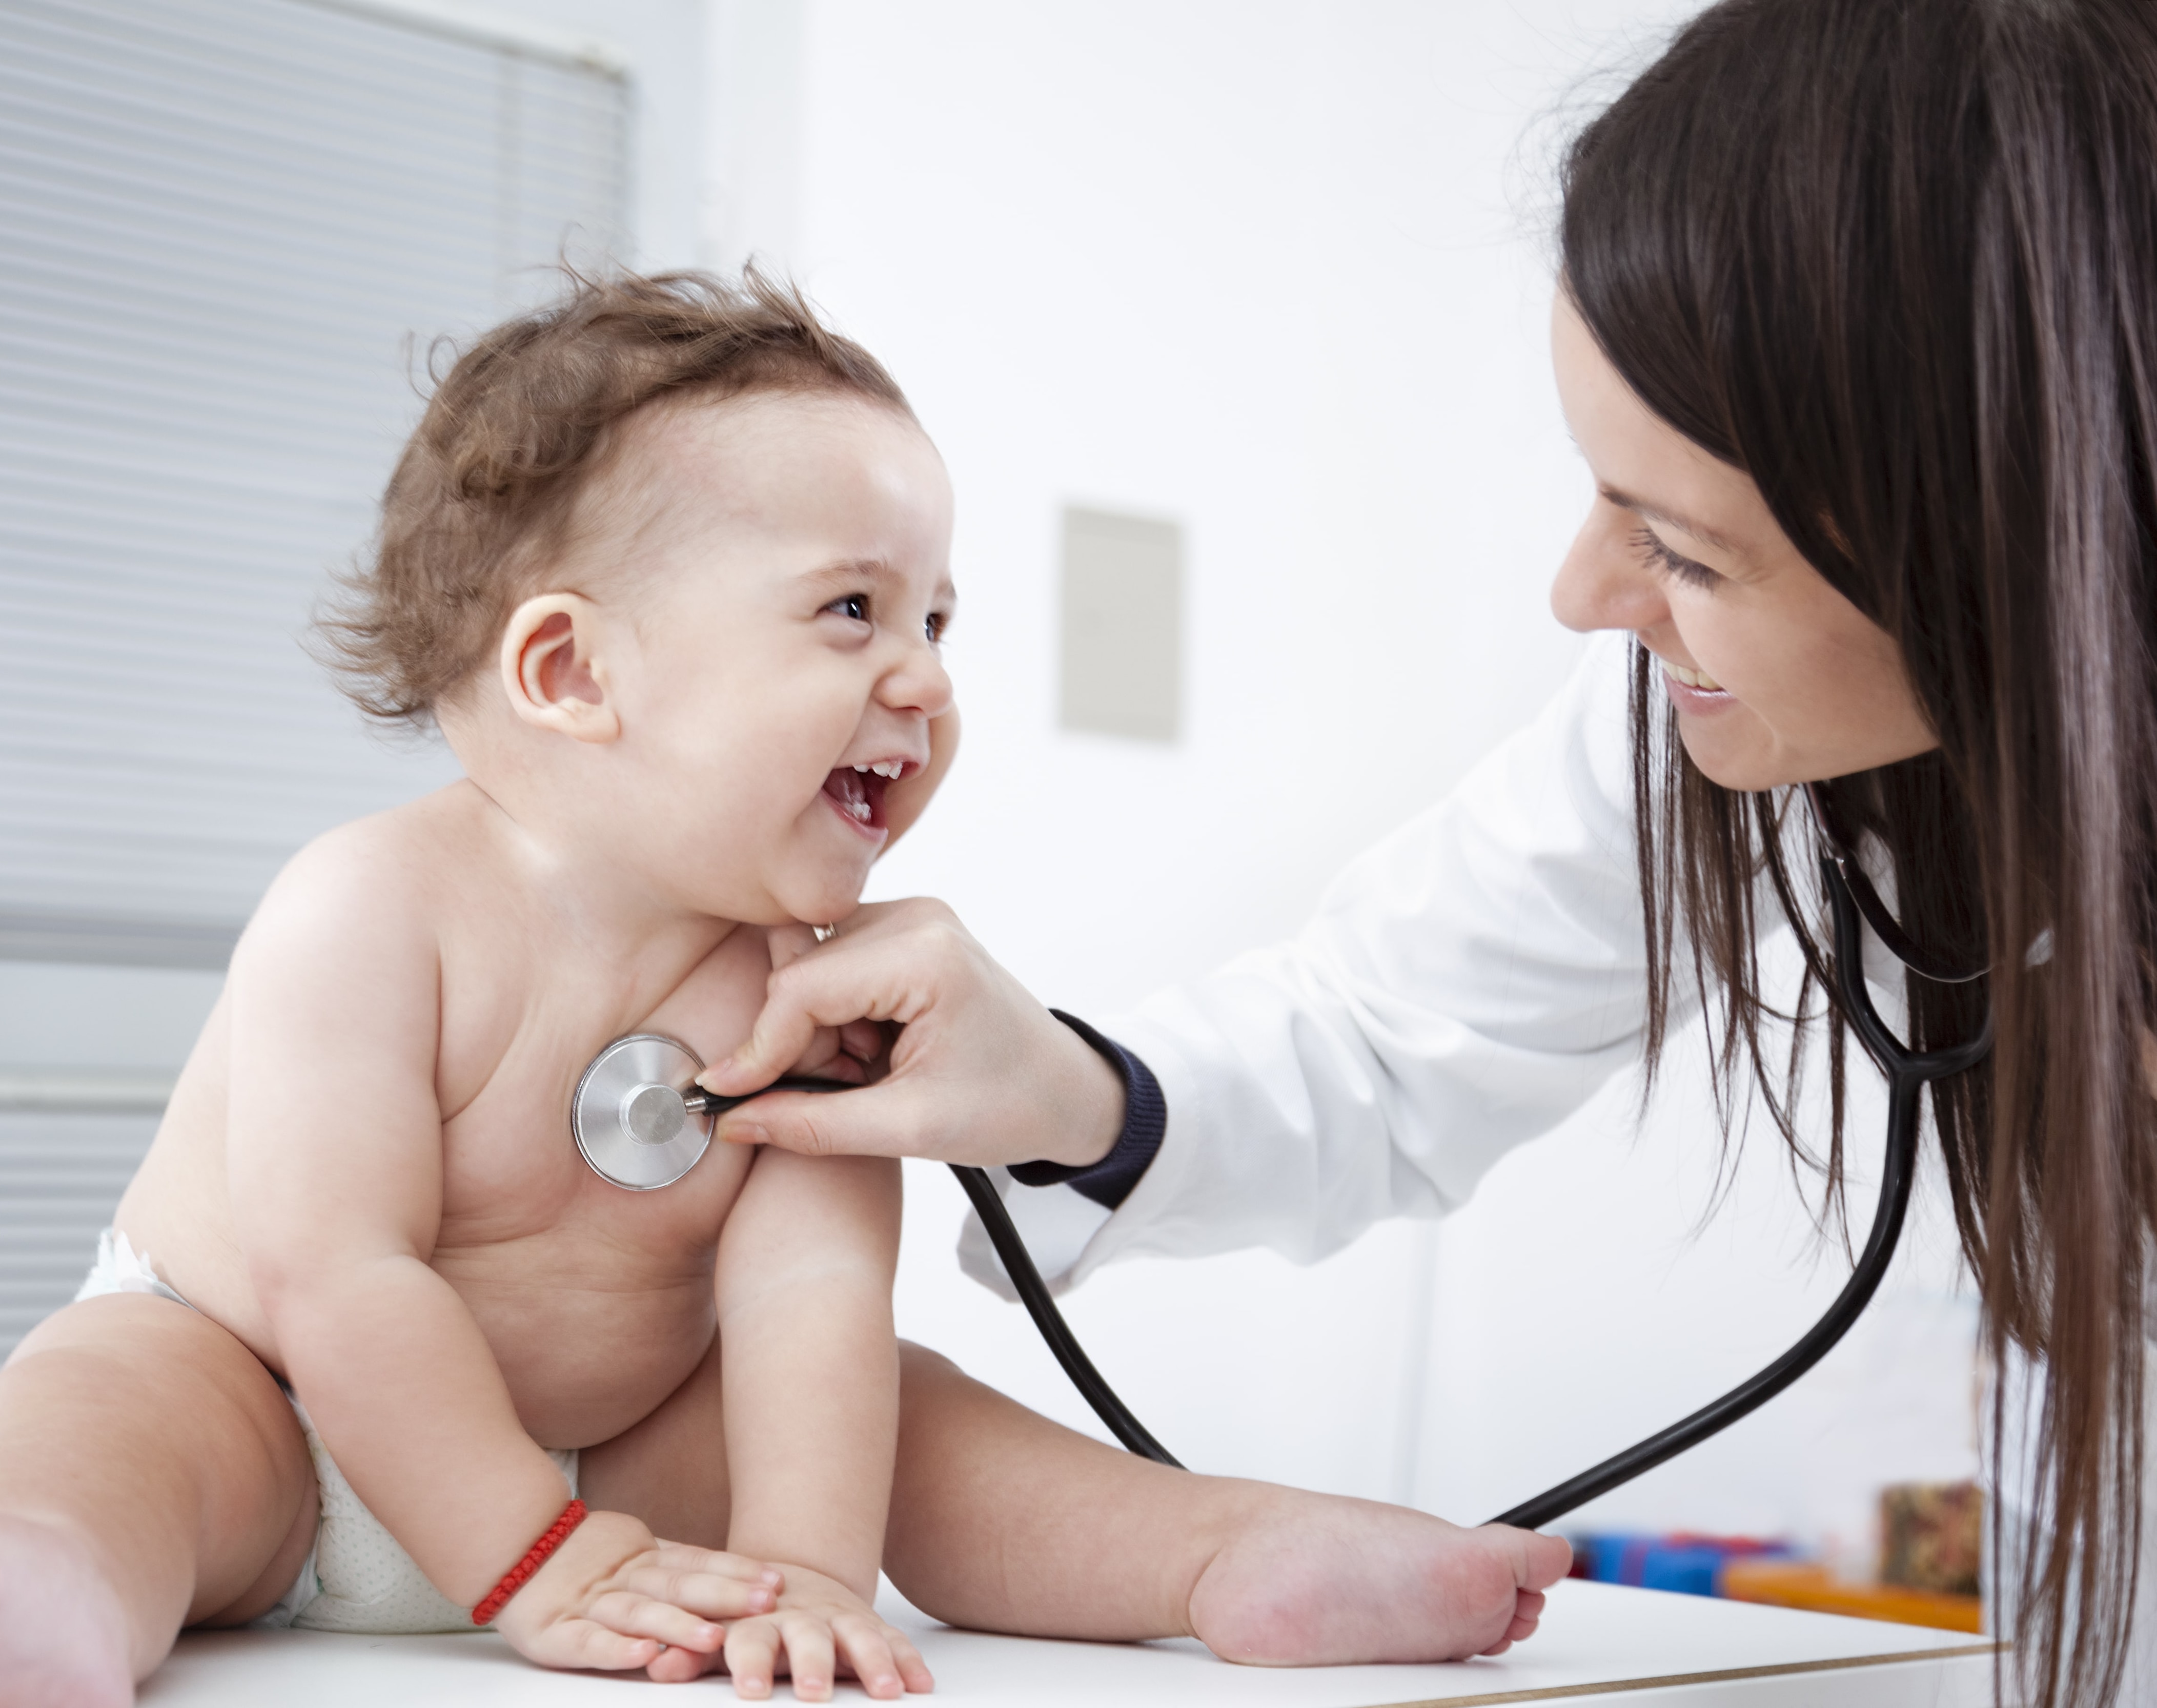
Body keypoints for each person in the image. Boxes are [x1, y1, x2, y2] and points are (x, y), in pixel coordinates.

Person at [0, 270, 1568, 1708]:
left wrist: (799, 1571)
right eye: (853, 612)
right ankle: (43, 1597)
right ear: (570, 670)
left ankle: (1217, 1553)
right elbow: (339, 1274)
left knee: (911, 1417)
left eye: (941, 620)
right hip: (280, 1412)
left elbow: (804, 1306)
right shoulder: (369, 910)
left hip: (621, 1460)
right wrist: (532, 1565)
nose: (925, 679)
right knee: (106, 1410)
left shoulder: (813, 982)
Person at [696, 5, 2157, 1706]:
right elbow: (1387, 1036)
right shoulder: (1730, 729)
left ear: (2007, 536)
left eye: (1682, 547)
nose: (1586, 598)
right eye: (1606, 498)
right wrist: (1063, 1085)